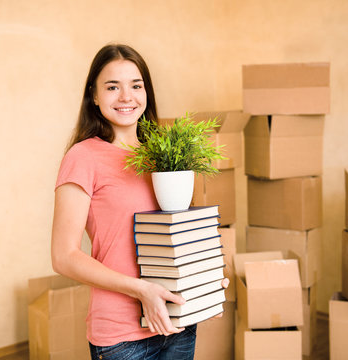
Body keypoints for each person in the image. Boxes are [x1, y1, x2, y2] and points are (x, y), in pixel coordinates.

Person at [51, 43, 228, 360]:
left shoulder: (164, 155)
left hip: (177, 322)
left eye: (136, 85)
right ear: (93, 95)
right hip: (122, 337)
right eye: (112, 87)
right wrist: (141, 289)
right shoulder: (83, 157)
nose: (126, 97)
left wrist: (205, 283)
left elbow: (178, 232)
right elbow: (63, 256)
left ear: (147, 92)